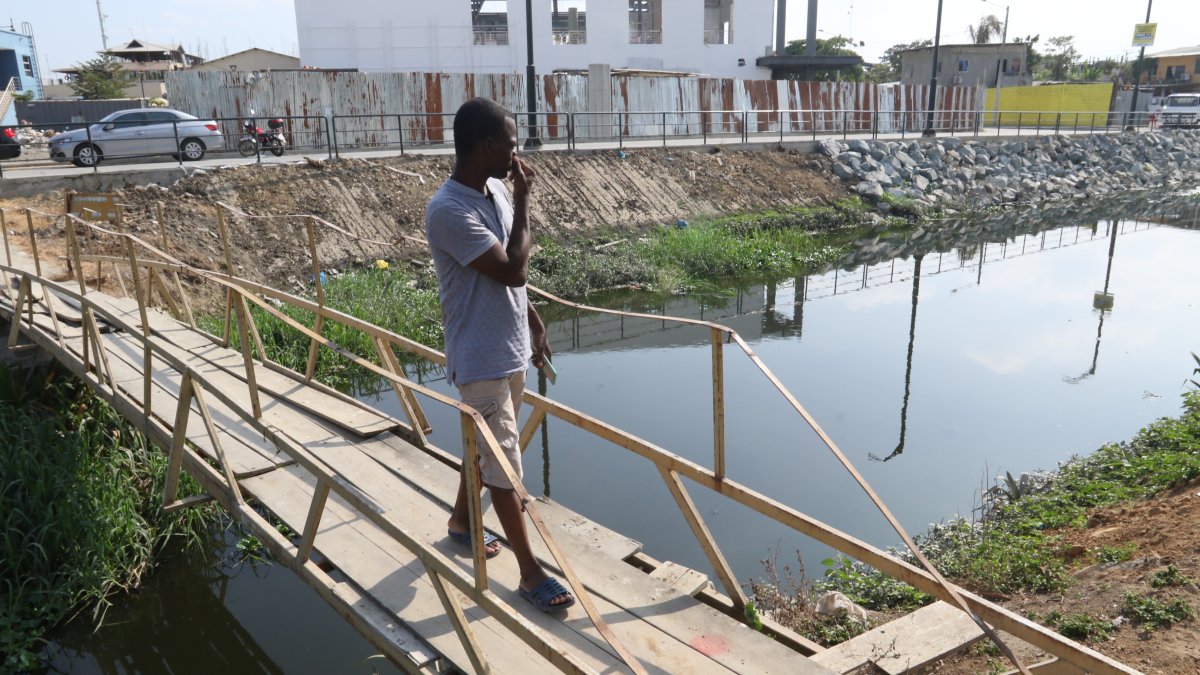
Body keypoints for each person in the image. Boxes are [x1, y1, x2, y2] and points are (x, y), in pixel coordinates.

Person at [424, 97, 575, 612]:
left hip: (510, 348)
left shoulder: (495, 192)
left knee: (486, 449)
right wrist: (525, 200)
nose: (517, 154)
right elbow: (513, 268)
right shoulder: (448, 209)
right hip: (480, 358)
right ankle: (530, 574)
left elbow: (509, 277)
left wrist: (533, 323)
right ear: (486, 146)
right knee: (506, 464)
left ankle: (462, 522)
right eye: (511, 145)